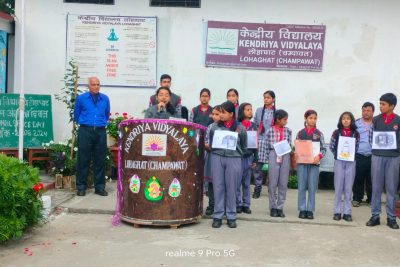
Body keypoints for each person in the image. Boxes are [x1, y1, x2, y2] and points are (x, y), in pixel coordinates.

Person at [209, 101, 247, 228]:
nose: (221, 115)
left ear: (231, 114)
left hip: (234, 159)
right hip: (217, 158)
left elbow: (244, 145)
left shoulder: (240, 128)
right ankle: (218, 215)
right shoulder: (214, 127)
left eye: (223, 112)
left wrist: (236, 153)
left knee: (232, 187)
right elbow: (211, 142)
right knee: (218, 186)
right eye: (220, 112)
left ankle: (231, 215)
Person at [367, 93, 400, 229]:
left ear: (392, 106)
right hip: (377, 156)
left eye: (383, 104)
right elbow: (370, 137)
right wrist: (377, 148)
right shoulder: (375, 120)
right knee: (376, 187)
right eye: (380, 103)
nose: (380, 106)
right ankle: (375, 216)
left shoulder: (398, 121)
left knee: (391, 188)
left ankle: (391, 218)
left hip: (394, 157)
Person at [74, 77, 110, 197]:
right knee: (83, 159)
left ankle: (99, 187)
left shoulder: (105, 99)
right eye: (93, 84)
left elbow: (106, 114)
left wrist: (100, 123)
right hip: (85, 130)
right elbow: (76, 114)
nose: (96, 86)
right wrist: (86, 123)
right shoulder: (81, 98)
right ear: (88, 86)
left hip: (100, 132)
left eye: (98, 84)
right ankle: (81, 187)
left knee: (99, 160)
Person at [329, 112, 360, 222]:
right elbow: (332, 146)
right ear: (340, 120)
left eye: (348, 119)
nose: (346, 120)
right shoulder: (336, 133)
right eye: (343, 118)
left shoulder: (355, 134)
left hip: (351, 162)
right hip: (339, 161)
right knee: (338, 187)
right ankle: (337, 211)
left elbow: (356, 147)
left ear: (351, 120)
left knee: (348, 187)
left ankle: (347, 212)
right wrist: (338, 155)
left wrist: (350, 155)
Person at [295, 110, 326, 220]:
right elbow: (297, 147)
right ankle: (302, 209)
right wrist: (296, 154)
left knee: (312, 187)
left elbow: (323, 149)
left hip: (314, 163)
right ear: (306, 118)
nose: (312, 120)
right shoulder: (300, 133)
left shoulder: (319, 133)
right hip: (302, 163)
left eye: (314, 118)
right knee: (302, 186)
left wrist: (319, 156)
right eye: (310, 118)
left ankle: (310, 210)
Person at [265, 109, 291, 218]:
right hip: (273, 154)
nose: (286, 121)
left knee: (283, 182)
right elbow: (266, 146)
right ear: (278, 119)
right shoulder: (270, 131)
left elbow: (289, 143)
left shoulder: (288, 131)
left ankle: (280, 207)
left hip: (285, 155)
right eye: (284, 119)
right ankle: (273, 207)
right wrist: (266, 160)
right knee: (273, 182)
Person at [252, 90, 276, 198]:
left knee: (272, 167)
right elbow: (255, 125)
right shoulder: (259, 110)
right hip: (260, 141)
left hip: (271, 142)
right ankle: (257, 188)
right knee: (258, 167)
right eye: (265, 97)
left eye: (268, 98)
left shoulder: (277, 112)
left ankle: (272, 190)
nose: (266, 99)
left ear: (273, 99)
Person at [236, 103, 258, 214]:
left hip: (249, 157)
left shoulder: (253, 126)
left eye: (251, 109)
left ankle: (246, 204)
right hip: (239, 157)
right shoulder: (238, 125)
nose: (250, 111)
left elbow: (256, 143)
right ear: (242, 111)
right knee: (237, 181)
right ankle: (238, 203)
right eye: (247, 109)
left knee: (246, 182)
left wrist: (255, 159)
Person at [352, 102, 374, 207]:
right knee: (358, 178)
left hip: (373, 155)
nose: (366, 112)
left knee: (372, 179)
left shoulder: (377, 123)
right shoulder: (356, 123)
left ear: (373, 112)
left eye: (368, 110)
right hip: (359, 155)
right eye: (364, 110)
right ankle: (357, 198)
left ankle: (371, 199)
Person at [204, 105, 221, 216]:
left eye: (217, 114)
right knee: (211, 183)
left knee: (220, 183)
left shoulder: (226, 127)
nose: (214, 116)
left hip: (221, 157)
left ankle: (220, 206)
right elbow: (206, 140)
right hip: (211, 156)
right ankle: (211, 205)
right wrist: (207, 145)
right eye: (213, 114)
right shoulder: (210, 126)